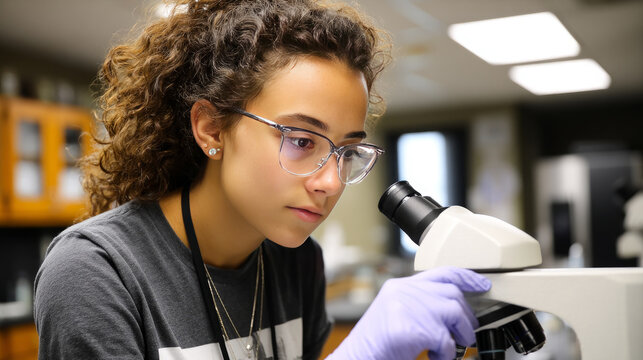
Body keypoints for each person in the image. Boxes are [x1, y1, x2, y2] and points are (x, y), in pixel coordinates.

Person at [34, 1, 491, 359]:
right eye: (300, 140)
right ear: (212, 129)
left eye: (346, 151)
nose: (331, 183)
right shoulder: (96, 273)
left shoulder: (297, 263)